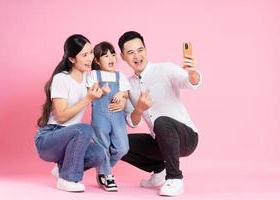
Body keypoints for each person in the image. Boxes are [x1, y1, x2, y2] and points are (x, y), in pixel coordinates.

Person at [118, 31, 201, 196]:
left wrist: (192, 73)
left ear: (146, 50)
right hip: (160, 141)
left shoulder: (165, 69)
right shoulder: (127, 85)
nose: (137, 56)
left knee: (161, 121)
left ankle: (175, 178)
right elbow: (132, 122)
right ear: (122, 56)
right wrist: (139, 109)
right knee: (118, 143)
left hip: (187, 137)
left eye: (140, 50)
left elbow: (190, 82)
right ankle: (159, 170)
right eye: (130, 52)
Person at [35, 34, 107, 192]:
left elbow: (108, 76)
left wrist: (121, 96)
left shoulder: (88, 77)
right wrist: (88, 98)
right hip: (49, 139)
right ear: (72, 59)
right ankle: (67, 179)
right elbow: (61, 116)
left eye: (91, 53)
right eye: (84, 55)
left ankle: (62, 169)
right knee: (85, 129)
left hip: (72, 140)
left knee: (98, 153)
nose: (90, 58)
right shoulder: (61, 79)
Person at [86, 41, 130, 192]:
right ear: (97, 60)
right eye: (105, 56)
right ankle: (108, 176)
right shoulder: (93, 75)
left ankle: (103, 169)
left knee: (123, 148)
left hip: (118, 117)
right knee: (102, 146)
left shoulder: (120, 76)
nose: (111, 58)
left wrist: (121, 94)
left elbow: (126, 93)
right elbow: (89, 94)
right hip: (100, 117)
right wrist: (101, 91)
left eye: (112, 54)